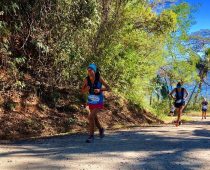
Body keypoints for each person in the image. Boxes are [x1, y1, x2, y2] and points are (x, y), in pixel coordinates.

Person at [81, 63, 110, 143]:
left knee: (90, 117)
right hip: (91, 100)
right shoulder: (86, 79)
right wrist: (86, 89)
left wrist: (100, 90)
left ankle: (91, 136)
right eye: (88, 70)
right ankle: (101, 129)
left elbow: (108, 88)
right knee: (94, 117)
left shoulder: (99, 78)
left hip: (99, 100)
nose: (89, 72)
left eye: (91, 70)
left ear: (94, 71)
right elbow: (82, 91)